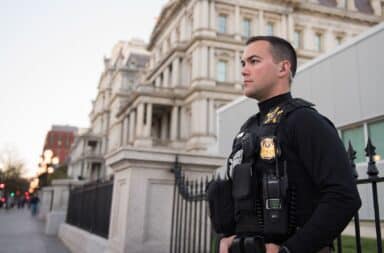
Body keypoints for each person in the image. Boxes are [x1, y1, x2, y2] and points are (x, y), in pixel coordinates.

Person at [215, 36, 361, 253]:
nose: (244, 70)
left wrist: (290, 250)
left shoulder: (304, 121)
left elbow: (343, 197)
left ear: (283, 68)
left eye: (254, 61)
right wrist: (228, 238)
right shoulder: (247, 130)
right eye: (243, 63)